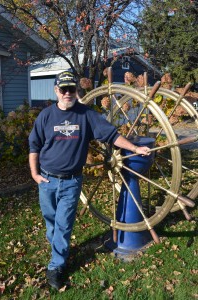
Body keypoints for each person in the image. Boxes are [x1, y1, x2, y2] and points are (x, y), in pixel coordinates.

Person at [28, 70, 150, 290]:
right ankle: (58, 246)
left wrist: (134, 147)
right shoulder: (45, 116)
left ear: (76, 91)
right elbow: (34, 146)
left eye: (71, 89)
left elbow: (112, 136)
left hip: (71, 182)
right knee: (51, 222)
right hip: (46, 180)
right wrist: (35, 174)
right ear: (56, 90)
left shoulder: (86, 115)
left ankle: (56, 266)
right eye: (63, 89)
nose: (67, 93)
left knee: (63, 224)